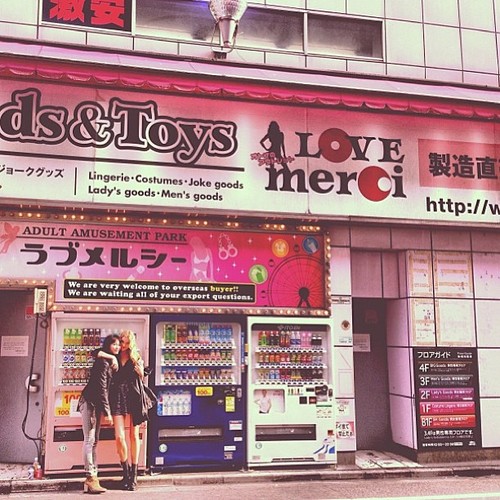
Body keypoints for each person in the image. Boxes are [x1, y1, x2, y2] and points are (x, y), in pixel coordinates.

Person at [78, 333, 120, 494]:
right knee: (90, 440)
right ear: (108, 345)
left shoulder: (109, 361)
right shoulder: (103, 362)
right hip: (90, 403)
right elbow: (102, 389)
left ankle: (93, 476)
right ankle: (90, 477)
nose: (117, 347)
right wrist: (108, 412)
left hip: (96, 405)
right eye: (114, 344)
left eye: (118, 345)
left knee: (94, 441)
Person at [109, 330, 151, 491]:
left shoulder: (136, 357)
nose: (123, 345)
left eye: (126, 342)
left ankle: (133, 476)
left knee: (134, 435)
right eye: (121, 342)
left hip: (134, 395)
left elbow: (141, 377)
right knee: (119, 437)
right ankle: (125, 473)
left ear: (131, 343)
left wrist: (140, 372)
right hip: (117, 396)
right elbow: (96, 352)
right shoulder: (113, 355)